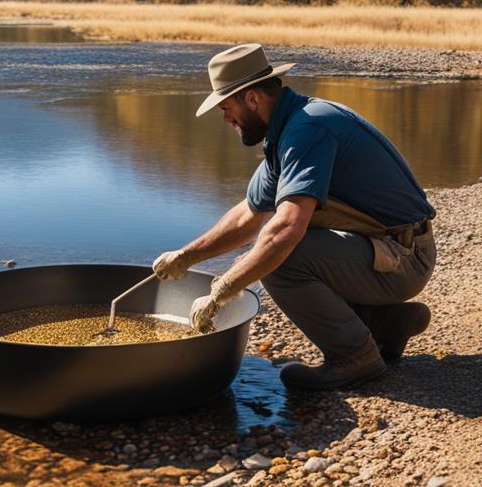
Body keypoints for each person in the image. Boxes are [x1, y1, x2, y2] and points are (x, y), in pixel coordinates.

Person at [153, 43, 436, 390]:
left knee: (281, 258)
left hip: (405, 257)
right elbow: (248, 214)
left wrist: (223, 288)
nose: (225, 118)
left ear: (253, 98)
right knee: (272, 249)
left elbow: (285, 229)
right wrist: (186, 256)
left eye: (226, 108)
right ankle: (384, 322)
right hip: (386, 251)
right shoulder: (288, 128)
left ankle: (355, 356)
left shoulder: (308, 130)